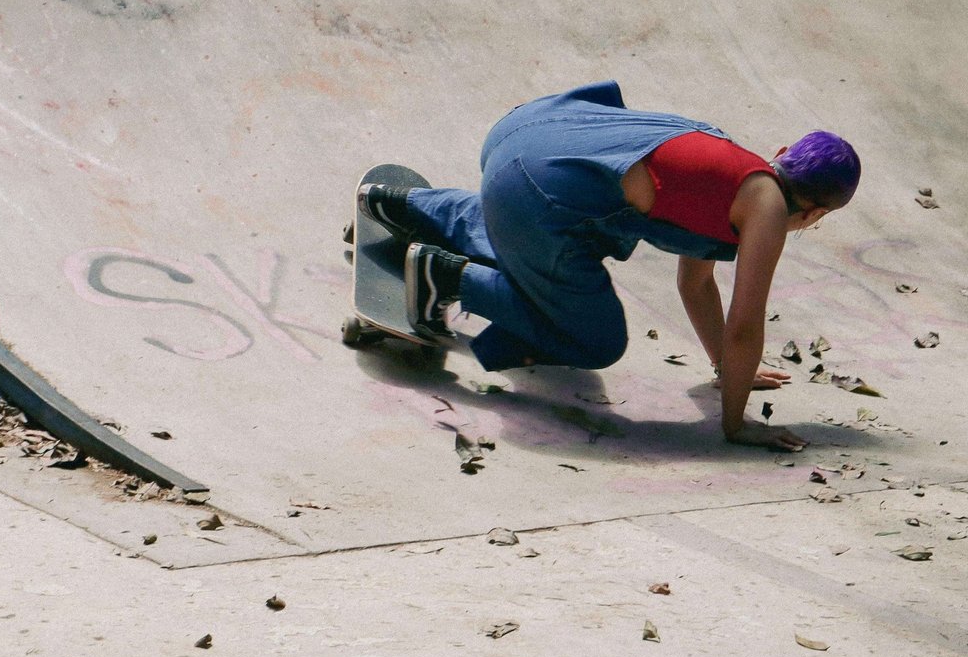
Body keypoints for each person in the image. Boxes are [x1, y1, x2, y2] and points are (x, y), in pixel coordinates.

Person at [361, 81, 861, 451]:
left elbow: (695, 283)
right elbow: (745, 326)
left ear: (781, 154)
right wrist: (736, 425)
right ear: (817, 213)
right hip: (537, 192)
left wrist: (725, 369)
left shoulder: (734, 166)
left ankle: (403, 204)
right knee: (596, 341)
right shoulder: (767, 210)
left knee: (538, 209)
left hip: (525, 134)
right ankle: (446, 278)